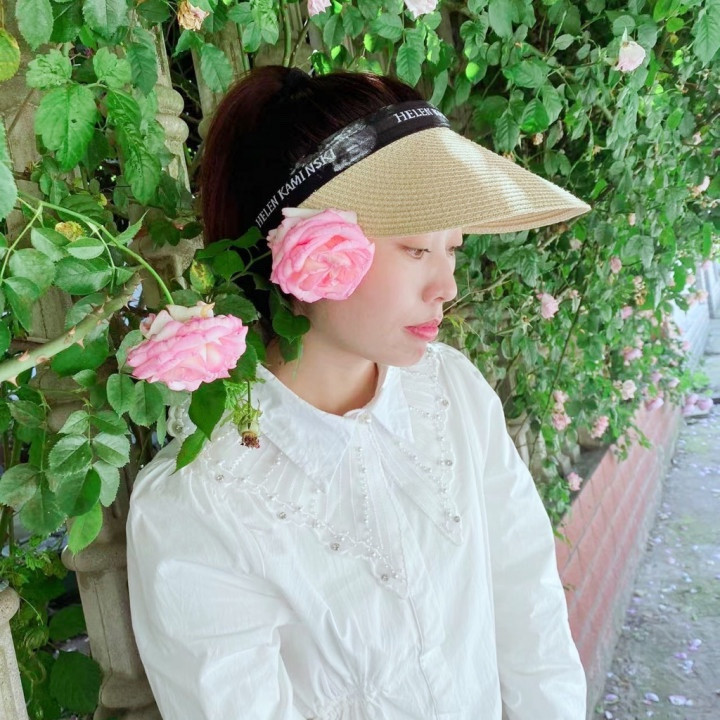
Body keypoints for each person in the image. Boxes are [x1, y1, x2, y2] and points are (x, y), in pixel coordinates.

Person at [126, 65, 591, 720]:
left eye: (453, 248)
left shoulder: (450, 390)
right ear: (303, 246)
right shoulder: (203, 502)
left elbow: (527, 602)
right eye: (415, 249)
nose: (447, 287)